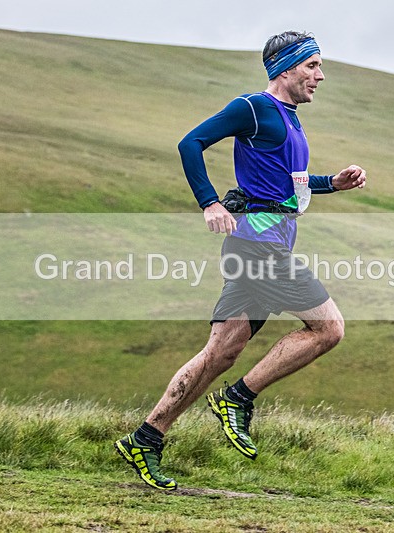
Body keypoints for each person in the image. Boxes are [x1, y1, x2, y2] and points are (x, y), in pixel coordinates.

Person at [115, 30, 366, 490]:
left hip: (261, 246)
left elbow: (288, 183)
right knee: (329, 328)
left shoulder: (290, 120)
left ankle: (145, 438)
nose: (320, 75)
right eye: (312, 66)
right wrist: (210, 203)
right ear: (286, 68)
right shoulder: (253, 107)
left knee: (219, 353)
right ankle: (238, 399)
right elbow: (190, 144)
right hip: (259, 248)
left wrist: (334, 182)